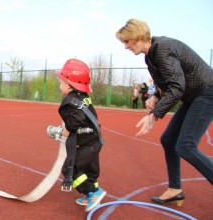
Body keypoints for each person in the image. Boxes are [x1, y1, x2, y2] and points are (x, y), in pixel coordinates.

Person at [116, 18, 213, 206]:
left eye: (127, 41)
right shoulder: (150, 56)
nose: (125, 46)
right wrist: (155, 98)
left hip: (207, 93)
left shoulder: (163, 49)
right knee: (168, 140)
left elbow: (177, 87)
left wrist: (154, 114)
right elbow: (165, 85)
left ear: (138, 36)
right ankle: (175, 189)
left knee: (185, 146)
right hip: (192, 96)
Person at [56, 58, 106, 212]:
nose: (60, 85)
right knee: (91, 170)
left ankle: (93, 192)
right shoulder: (82, 97)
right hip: (94, 141)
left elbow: (76, 120)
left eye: (62, 82)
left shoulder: (72, 101)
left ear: (70, 85)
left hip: (89, 143)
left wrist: (65, 130)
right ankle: (91, 193)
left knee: (69, 169)